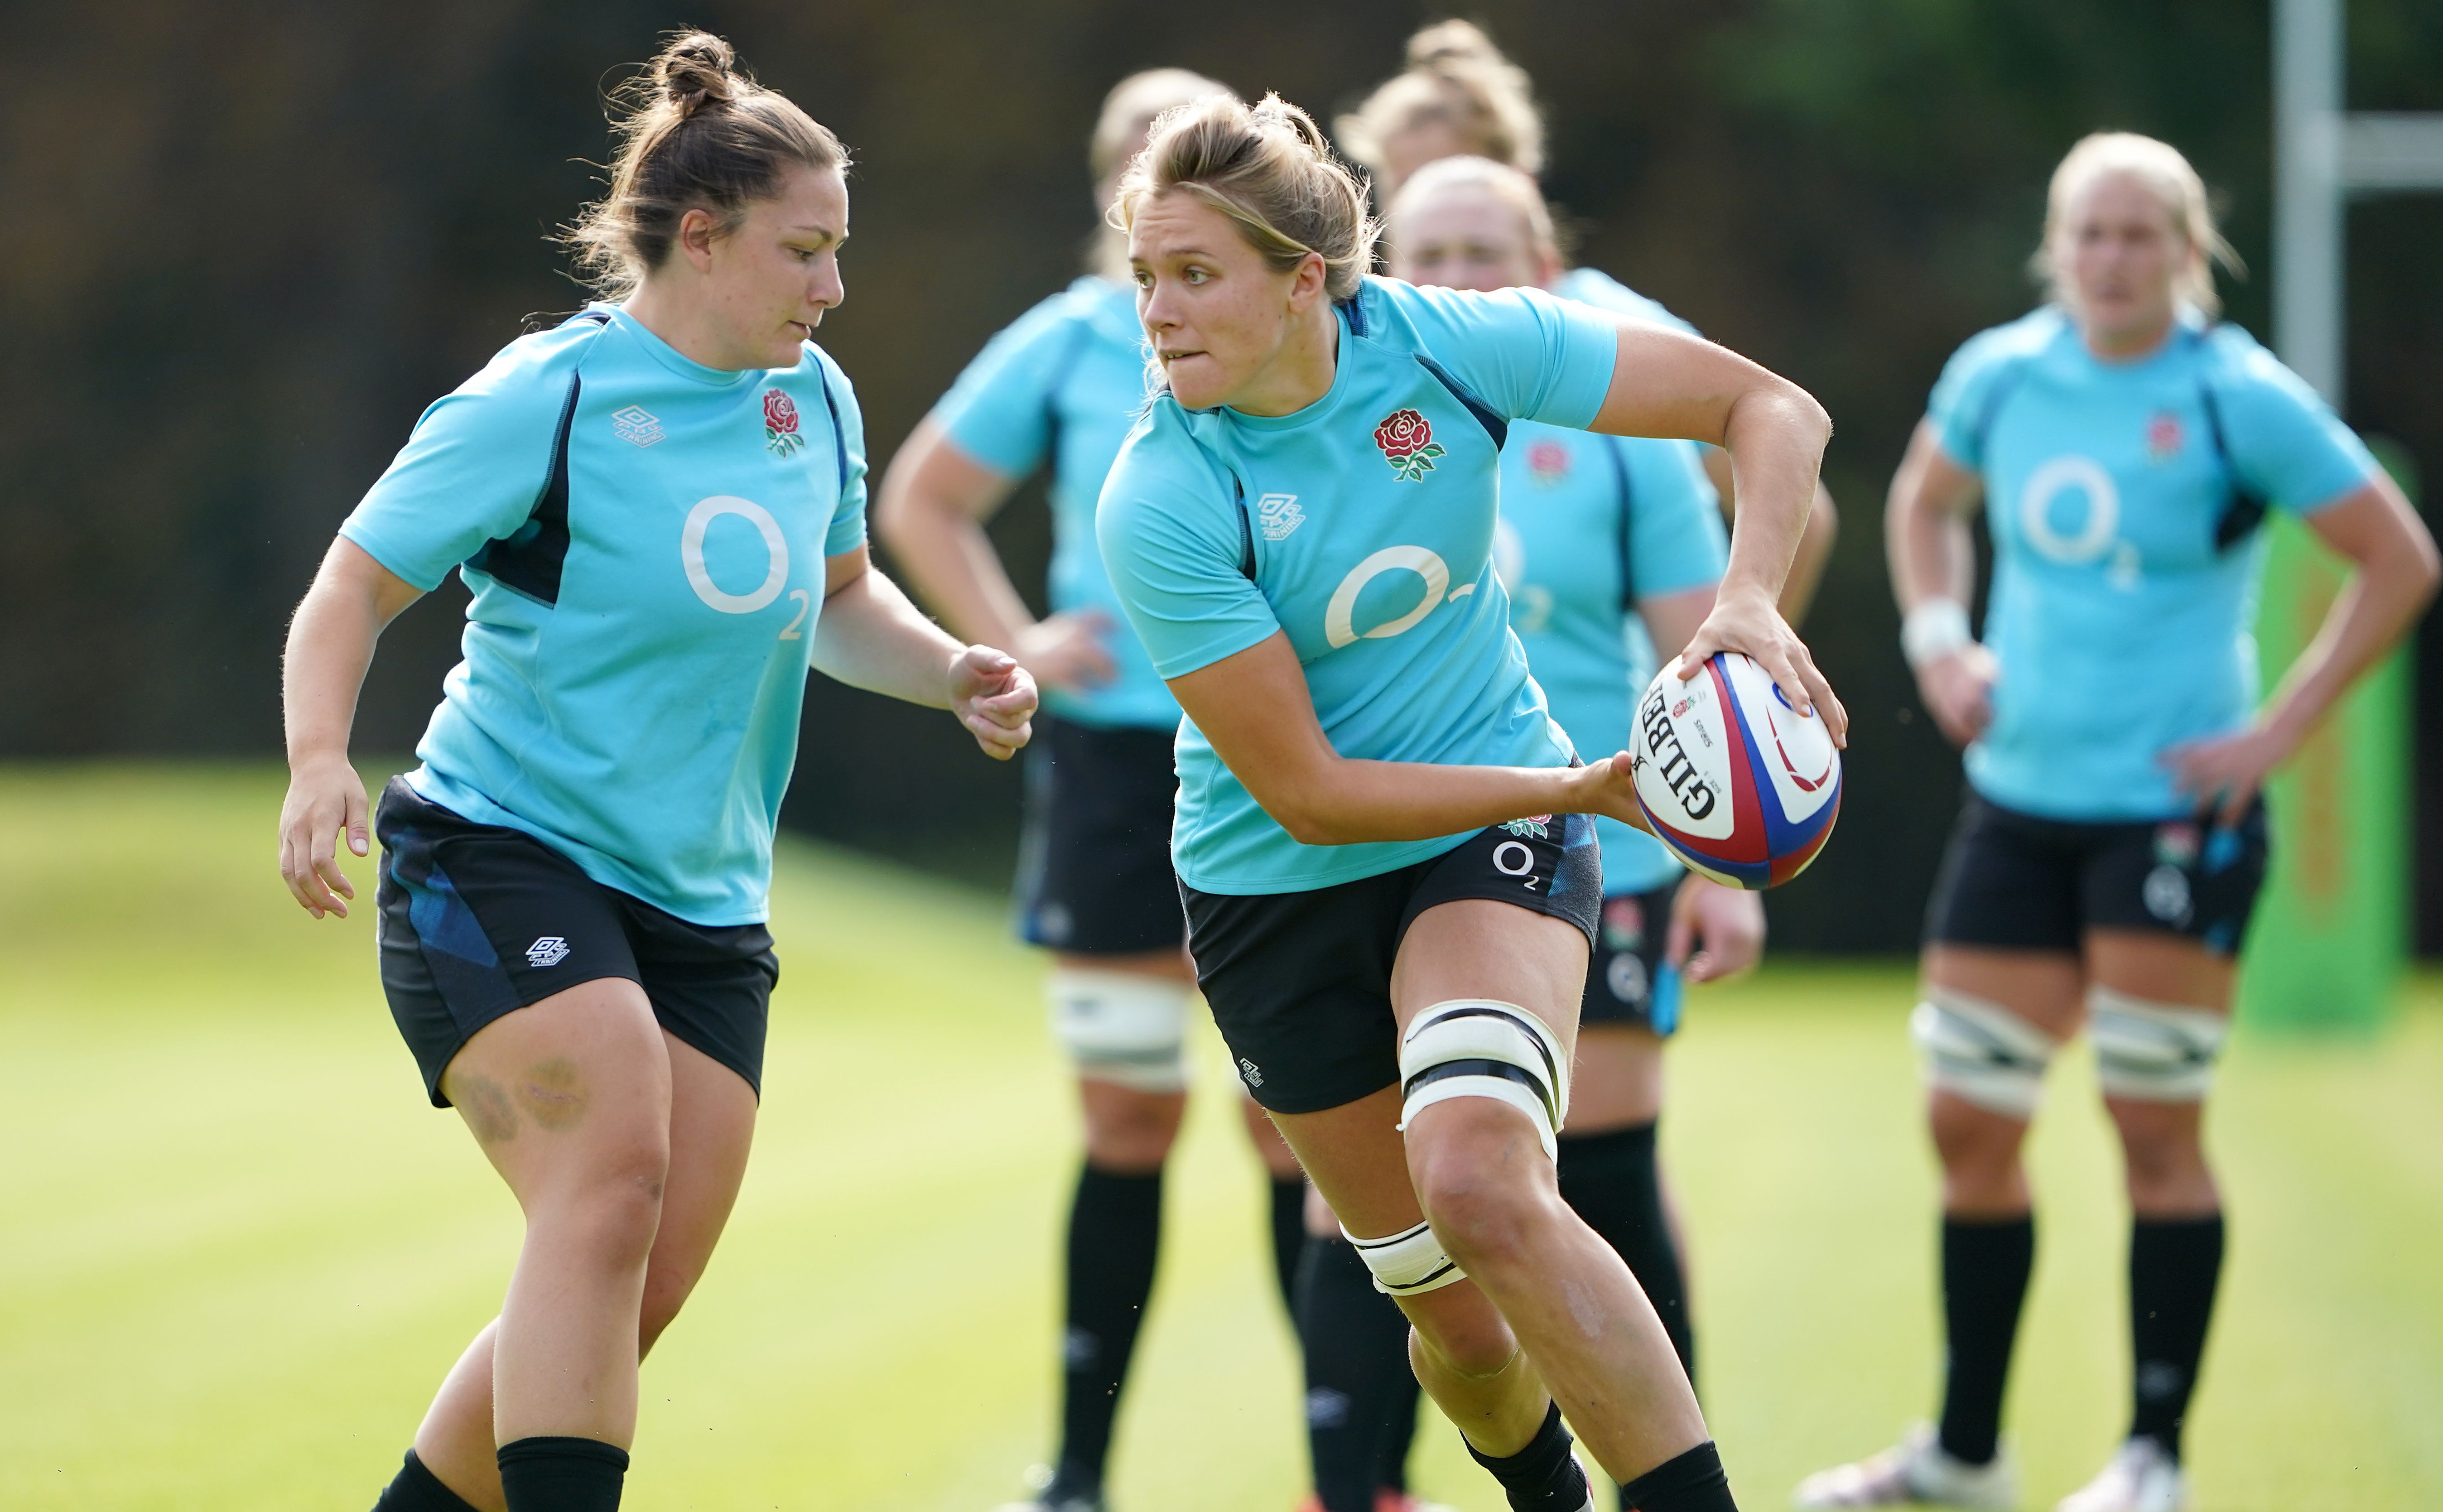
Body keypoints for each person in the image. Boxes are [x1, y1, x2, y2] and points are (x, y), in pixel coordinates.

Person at [275, 33, 1037, 1512]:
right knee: (609, 1171)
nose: (831, 286)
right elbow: (347, 591)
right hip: (495, 854)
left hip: (705, 906)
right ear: (701, 238)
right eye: (804, 251)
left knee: (630, 1282)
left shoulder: (809, 400)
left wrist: (948, 668)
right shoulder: (542, 399)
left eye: (839, 252)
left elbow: (836, 598)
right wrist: (318, 760)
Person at [1099, 92, 1842, 1512]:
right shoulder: (1159, 494)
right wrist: (1590, 784)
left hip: (1482, 829)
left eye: (1192, 274)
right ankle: (1539, 1491)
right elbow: (1311, 795)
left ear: (1301, 279)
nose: (1156, 311)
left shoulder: (1445, 346)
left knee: (1482, 1177)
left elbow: (1769, 408)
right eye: (1145, 277)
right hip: (1271, 895)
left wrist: (1744, 600)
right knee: (1451, 1319)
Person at [1793, 132, 2436, 1512]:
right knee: (1966, 1123)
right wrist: (1933, 640)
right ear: (2053, 244)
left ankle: (2152, 1456)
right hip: (2018, 806)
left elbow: (2395, 557)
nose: (2107, 258)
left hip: (2170, 822)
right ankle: (1964, 1455)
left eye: (2137, 234)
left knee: (2151, 1131)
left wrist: (2280, 730)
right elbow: (1921, 501)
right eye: (2086, 232)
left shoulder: (2232, 397)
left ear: (2186, 251)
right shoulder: (2002, 375)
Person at [1278, 153, 1764, 1512]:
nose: (1459, 274)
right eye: (1428, 249)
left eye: (1488, 249)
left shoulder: (1613, 441)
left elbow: (1698, 652)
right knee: (1371, 1209)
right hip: (1347, 851)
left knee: (1580, 1172)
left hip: (1583, 831)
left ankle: (1656, 1474)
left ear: (1544, 275)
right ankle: (1354, 1484)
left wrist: (1729, 859)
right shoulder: (1321, 414)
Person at [873, 68, 1311, 1512]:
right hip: (1114, 765)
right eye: (1135, 160)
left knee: (1291, 1124)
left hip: (1269, 754)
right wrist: (1010, 646)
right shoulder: (1068, 341)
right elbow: (922, 496)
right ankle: (1077, 1478)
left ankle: (1346, 1473)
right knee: (1126, 1121)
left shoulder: (1304, 342)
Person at [1333, 18, 1837, 624]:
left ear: (1519, 185)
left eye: (1458, 178)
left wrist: (1734, 659)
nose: (1438, 209)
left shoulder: (1613, 329)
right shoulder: (1355, 347)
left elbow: (1798, 509)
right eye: (1407, 190)